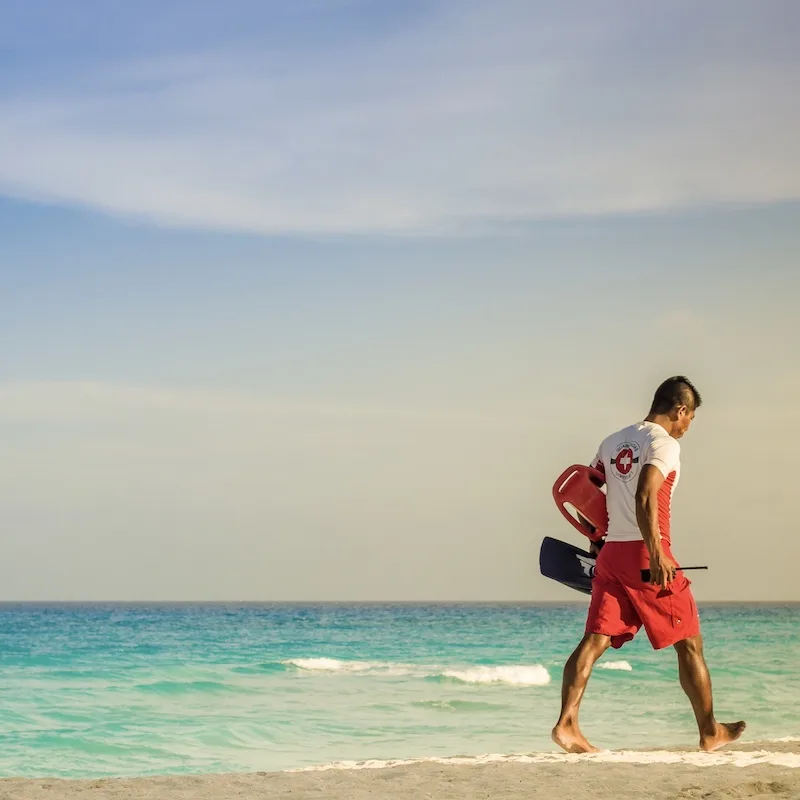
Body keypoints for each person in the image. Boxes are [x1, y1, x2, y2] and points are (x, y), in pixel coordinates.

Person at [551, 376, 745, 754]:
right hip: (646, 553)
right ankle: (710, 732)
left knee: (595, 640)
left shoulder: (612, 442)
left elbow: (588, 493)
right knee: (689, 643)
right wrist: (657, 554)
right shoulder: (664, 444)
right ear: (680, 409)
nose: (687, 428)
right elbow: (644, 495)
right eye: (690, 419)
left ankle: (567, 724)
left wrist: (596, 543)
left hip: (611, 556)